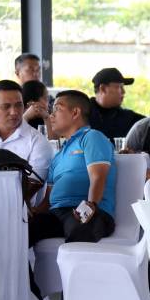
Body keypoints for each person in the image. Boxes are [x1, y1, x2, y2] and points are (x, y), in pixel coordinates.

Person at [28, 90, 117, 251]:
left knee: (80, 228)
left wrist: (90, 206)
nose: (51, 115)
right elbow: (47, 200)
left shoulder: (91, 137)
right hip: (56, 214)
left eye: (57, 109)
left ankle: (77, 267)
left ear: (75, 112)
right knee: (19, 229)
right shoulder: (58, 155)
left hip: (89, 209)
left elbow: (98, 177)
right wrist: (31, 212)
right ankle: (20, 269)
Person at [0, 80, 53, 181]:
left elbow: (33, 186)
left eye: (18, 105)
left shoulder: (38, 142)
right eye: (6, 106)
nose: (14, 112)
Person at [88, 67, 144, 140]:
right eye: (119, 87)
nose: (123, 92)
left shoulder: (130, 119)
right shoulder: (82, 117)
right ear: (103, 88)